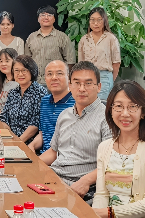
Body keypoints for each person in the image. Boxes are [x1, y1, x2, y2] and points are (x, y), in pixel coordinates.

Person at [92, 80, 145, 218]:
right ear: (111, 110)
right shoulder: (104, 147)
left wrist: (108, 213)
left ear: (143, 113)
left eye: (132, 107)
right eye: (118, 106)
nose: (125, 113)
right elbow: (101, 194)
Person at [41, 61, 109, 198]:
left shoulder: (107, 118)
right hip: (53, 178)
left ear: (99, 87)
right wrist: (31, 165)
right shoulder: (64, 115)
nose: (82, 89)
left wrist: (86, 181)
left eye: (88, 83)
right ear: (70, 85)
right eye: (77, 83)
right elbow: (53, 152)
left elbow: (111, 163)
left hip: (80, 186)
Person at [0, 54, 47, 146]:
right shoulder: (13, 92)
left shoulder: (40, 92)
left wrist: (18, 142)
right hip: (10, 140)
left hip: (29, 144)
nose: (20, 74)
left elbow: (35, 124)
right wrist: (9, 137)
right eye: (16, 70)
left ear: (32, 71)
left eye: (24, 70)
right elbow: (4, 117)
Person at [32, 60, 75, 154]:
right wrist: (31, 147)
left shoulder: (76, 103)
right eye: (49, 74)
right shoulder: (44, 101)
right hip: (43, 155)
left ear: (69, 78)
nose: (54, 78)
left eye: (59, 73)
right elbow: (43, 134)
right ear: (45, 78)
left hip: (64, 157)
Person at [78, 6, 121, 100]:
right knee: (87, 104)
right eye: (92, 20)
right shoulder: (84, 39)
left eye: (99, 20)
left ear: (104, 21)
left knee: (101, 104)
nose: (95, 23)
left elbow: (116, 63)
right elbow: (81, 63)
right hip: (87, 78)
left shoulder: (111, 38)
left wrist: (110, 80)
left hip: (104, 78)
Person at [26, 5, 75, 72]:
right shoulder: (31, 37)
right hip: (36, 77)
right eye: (43, 15)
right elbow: (27, 61)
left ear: (54, 19)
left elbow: (70, 61)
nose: (46, 17)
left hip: (56, 77)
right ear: (38, 19)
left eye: (49, 15)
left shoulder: (63, 37)